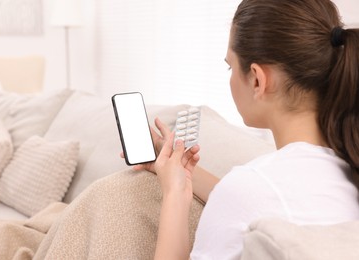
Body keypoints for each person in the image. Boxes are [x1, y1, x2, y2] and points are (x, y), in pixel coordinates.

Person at [129, 0, 359, 259]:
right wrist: (181, 174)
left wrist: (174, 194)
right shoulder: (347, 167)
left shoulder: (248, 187)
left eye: (230, 66)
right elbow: (265, 200)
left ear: (258, 80)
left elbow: (249, 197)